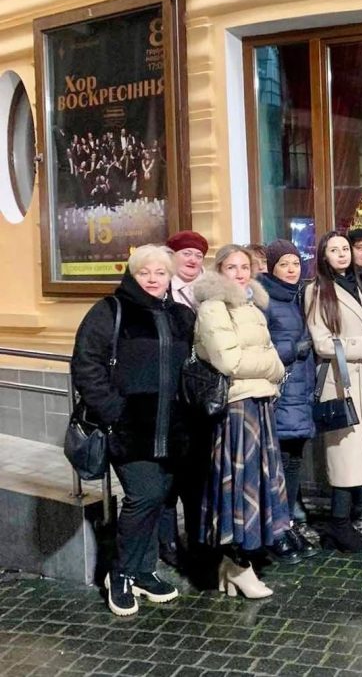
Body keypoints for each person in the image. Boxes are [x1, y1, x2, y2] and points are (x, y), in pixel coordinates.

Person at [71, 245, 195, 617]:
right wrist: (115, 411)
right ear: (132, 274)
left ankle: (143, 571)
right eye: (145, 272)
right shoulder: (111, 311)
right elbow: (87, 365)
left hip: (173, 427)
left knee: (159, 498)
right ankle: (121, 574)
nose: (153, 279)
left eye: (160, 272)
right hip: (130, 428)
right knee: (144, 495)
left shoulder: (180, 315)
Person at [194, 244, 296, 599]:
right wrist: (272, 368)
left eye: (244, 267)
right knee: (241, 484)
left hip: (259, 402)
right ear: (219, 271)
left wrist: (270, 367)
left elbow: (266, 354)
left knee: (257, 482)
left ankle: (233, 564)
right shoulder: (213, 306)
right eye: (231, 267)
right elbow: (230, 362)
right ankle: (239, 564)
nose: (239, 274)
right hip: (237, 407)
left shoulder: (250, 305)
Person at [305, 231, 362, 551]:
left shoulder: (356, 284)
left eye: (345, 249)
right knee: (344, 457)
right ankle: (338, 525)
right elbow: (321, 342)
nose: (342, 254)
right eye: (334, 250)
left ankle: (344, 520)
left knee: (357, 455)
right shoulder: (317, 290)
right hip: (340, 381)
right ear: (323, 256)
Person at [258, 239, 318, 557]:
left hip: (301, 391)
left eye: (295, 262)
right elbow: (260, 347)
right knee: (278, 464)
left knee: (294, 461)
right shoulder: (264, 299)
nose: (292, 269)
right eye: (284, 264)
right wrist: (293, 349)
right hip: (282, 393)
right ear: (272, 268)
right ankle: (276, 530)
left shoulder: (300, 295)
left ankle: (288, 524)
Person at [158, 229, 209, 569]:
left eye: (198, 255)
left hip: (201, 395)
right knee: (168, 476)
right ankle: (167, 541)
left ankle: (196, 538)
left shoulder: (210, 291)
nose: (192, 259)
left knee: (197, 474)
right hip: (169, 396)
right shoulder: (160, 291)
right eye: (186, 253)